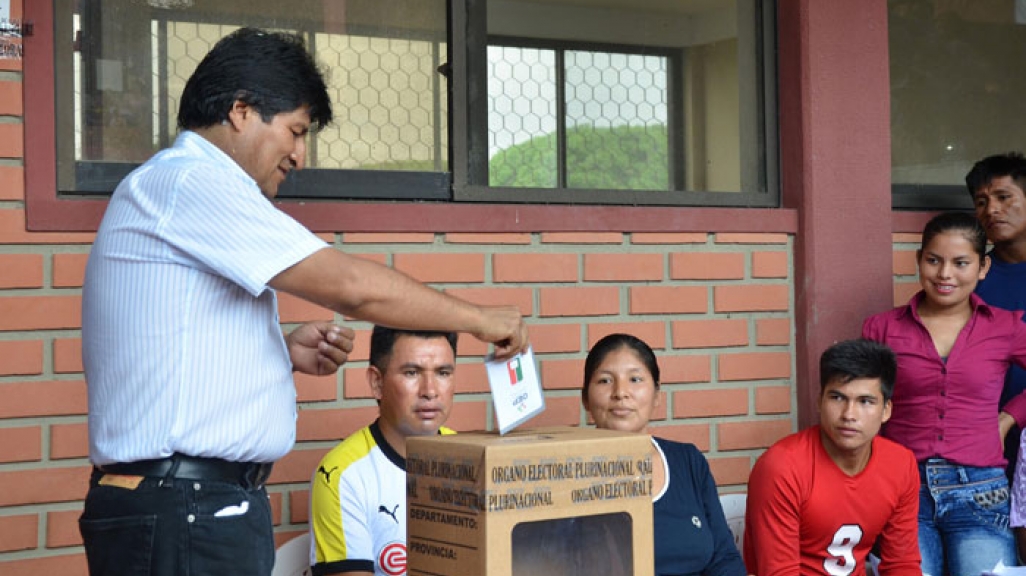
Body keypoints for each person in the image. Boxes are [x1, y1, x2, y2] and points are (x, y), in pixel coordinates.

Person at [79, 28, 528, 576]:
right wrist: (480, 319)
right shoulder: (192, 182)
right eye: (295, 130)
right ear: (241, 110)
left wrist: (278, 352)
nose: (299, 154)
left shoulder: (183, 191)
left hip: (192, 503)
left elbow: (175, 346)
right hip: (184, 506)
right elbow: (353, 289)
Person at [862, 211, 1026, 575]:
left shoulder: (1006, 326)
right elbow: (863, 403)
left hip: (982, 492)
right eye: (934, 260)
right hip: (903, 490)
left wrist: (1007, 418)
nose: (945, 274)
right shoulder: (882, 328)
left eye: (960, 262)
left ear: (983, 267)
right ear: (918, 261)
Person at [743, 339, 921, 576]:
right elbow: (779, 572)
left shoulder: (900, 464)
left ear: (886, 410)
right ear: (819, 401)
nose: (849, 414)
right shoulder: (782, 467)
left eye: (865, 402)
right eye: (837, 398)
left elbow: (901, 564)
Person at [581, 333, 747, 576]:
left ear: (657, 395)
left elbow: (724, 557)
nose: (621, 392)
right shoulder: (567, 473)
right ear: (585, 398)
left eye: (635, 379)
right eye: (605, 381)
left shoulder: (688, 462)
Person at [310, 326, 458, 576]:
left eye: (443, 372)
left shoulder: (472, 457)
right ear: (377, 382)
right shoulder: (341, 474)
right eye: (412, 372)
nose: (430, 391)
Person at [969, 152, 1026, 481]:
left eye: (1004, 197)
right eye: (981, 202)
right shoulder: (971, 279)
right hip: (989, 446)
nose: (991, 210)